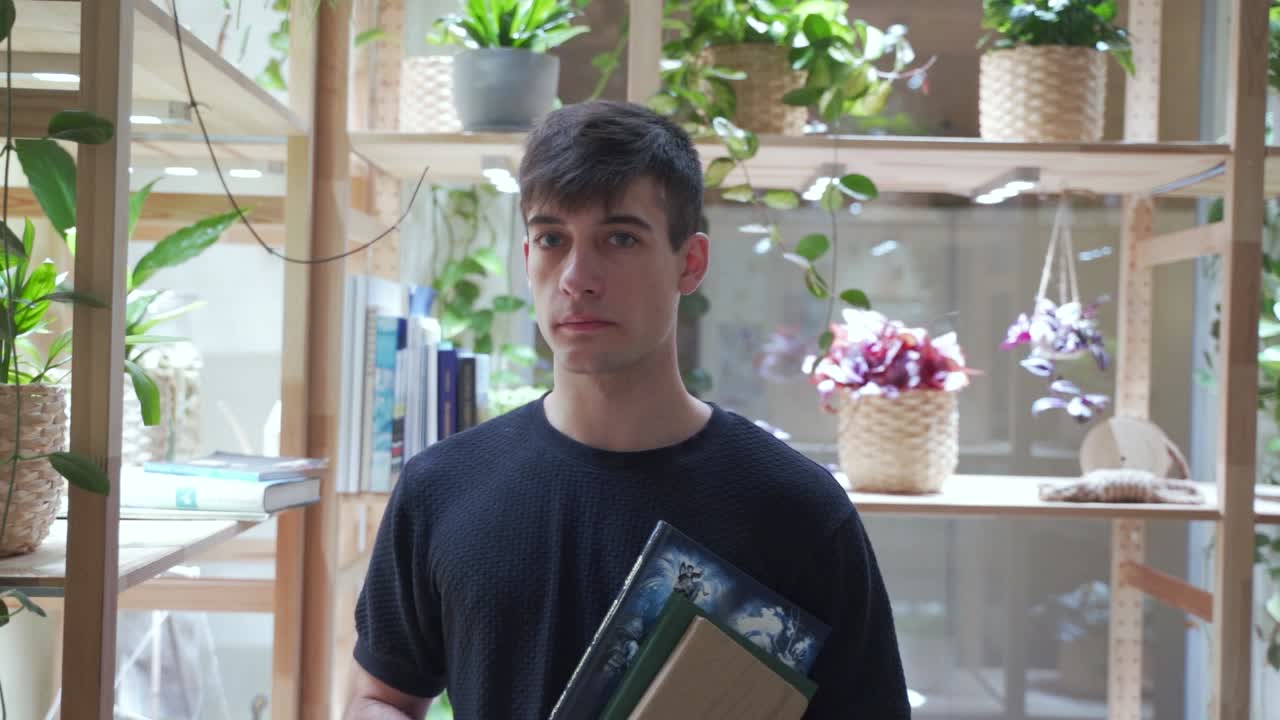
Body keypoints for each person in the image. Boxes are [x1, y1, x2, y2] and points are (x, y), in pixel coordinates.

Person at [345, 100, 910, 720]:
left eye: (620, 238)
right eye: (552, 239)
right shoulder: (440, 489)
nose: (577, 277)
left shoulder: (797, 509)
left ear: (690, 263)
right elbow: (379, 697)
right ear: (527, 256)